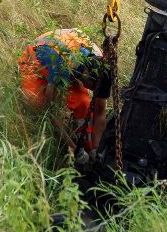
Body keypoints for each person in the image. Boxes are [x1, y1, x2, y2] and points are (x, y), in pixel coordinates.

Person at [18, 28, 111, 161]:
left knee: (83, 104)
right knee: (35, 104)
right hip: (36, 61)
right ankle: (77, 147)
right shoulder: (61, 65)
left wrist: (97, 150)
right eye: (92, 87)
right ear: (86, 75)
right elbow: (50, 111)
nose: (94, 90)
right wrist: (75, 150)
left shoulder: (102, 65)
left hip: (73, 65)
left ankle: (88, 145)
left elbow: (100, 111)